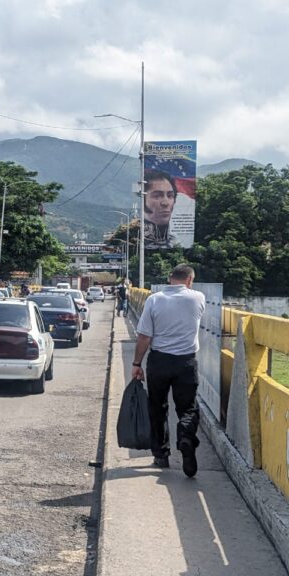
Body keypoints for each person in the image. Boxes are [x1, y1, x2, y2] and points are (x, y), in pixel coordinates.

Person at [131, 265, 205, 477]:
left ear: (169, 278)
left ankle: (161, 455)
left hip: (159, 362)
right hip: (186, 363)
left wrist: (137, 364)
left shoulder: (154, 299)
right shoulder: (198, 298)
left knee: (157, 407)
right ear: (190, 280)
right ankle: (186, 438)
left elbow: (144, 336)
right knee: (188, 408)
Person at [144, 170, 179, 249]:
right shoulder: (138, 238)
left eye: (170, 196)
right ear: (143, 200)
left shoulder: (176, 242)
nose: (165, 203)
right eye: (157, 196)